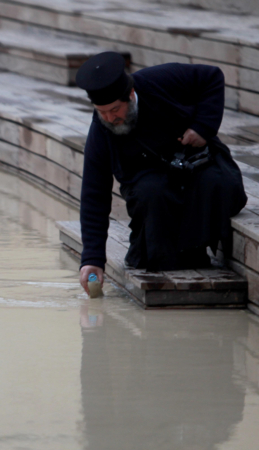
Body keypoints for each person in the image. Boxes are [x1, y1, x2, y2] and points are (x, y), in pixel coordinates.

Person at [74, 52, 247, 294]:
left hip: (195, 157)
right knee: (152, 195)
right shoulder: (101, 131)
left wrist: (202, 127)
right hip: (146, 178)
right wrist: (92, 258)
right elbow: (94, 194)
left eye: (115, 110)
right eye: (102, 112)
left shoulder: (160, 80)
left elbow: (212, 77)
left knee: (221, 184)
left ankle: (198, 247)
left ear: (131, 96)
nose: (110, 118)